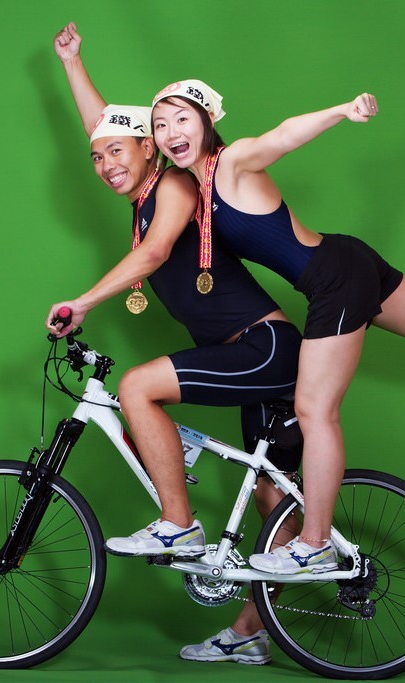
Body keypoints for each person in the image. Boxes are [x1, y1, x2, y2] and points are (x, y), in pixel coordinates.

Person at [147, 79, 405, 575]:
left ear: (207, 122)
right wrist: (72, 63)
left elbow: (280, 136)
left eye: (182, 118)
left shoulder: (231, 163)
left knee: (314, 410)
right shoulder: (187, 188)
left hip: (335, 281)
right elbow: (105, 130)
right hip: (346, 262)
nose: (171, 131)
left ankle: (315, 541)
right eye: (159, 124)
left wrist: (342, 110)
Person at [47, 24, 302, 666]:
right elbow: (102, 128)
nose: (106, 165)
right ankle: (251, 630)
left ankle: (178, 524)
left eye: (119, 153)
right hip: (250, 353)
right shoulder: (137, 188)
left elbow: (158, 253)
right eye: (97, 158)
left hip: (266, 346)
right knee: (274, 497)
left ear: (149, 149)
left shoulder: (175, 187)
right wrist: (75, 64)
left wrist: (83, 301)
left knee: (137, 385)